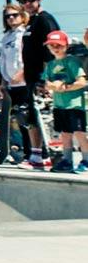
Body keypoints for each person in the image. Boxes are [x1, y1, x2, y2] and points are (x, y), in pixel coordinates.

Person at [16, 0, 59, 166]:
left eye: (31, 0)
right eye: (24, 1)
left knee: (46, 117)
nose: (28, 4)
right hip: (31, 76)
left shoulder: (45, 20)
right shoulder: (31, 22)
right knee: (32, 115)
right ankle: (36, 156)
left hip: (43, 76)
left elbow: (52, 50)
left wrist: (47, 78)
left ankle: (55, 155)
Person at [42, 31, 86, 173]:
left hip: (74, 104)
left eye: (59, 45)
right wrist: (51, 86)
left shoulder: (72, 61)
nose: (55, 48)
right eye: (52, 46)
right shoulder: (50, 64)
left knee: (79, 133)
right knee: (65, 133)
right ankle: (67, 160)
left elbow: (82, 81)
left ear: (66, 46)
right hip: (59, 104)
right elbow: (46, 82)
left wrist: (65, 87)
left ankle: (86, 160)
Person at [0, 3, 34, 165]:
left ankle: (36, 152)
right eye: (8, 16)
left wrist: (23, 72)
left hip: (25, 82)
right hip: (12, 84)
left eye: (14, 15)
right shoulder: (7, 37)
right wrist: (2, 80)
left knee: (29, 118)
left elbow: (30, 56)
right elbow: (3, 60)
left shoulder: (25, 33)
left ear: (22, 15)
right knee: (18, 120)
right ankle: (25, 152)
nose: (11, 18)